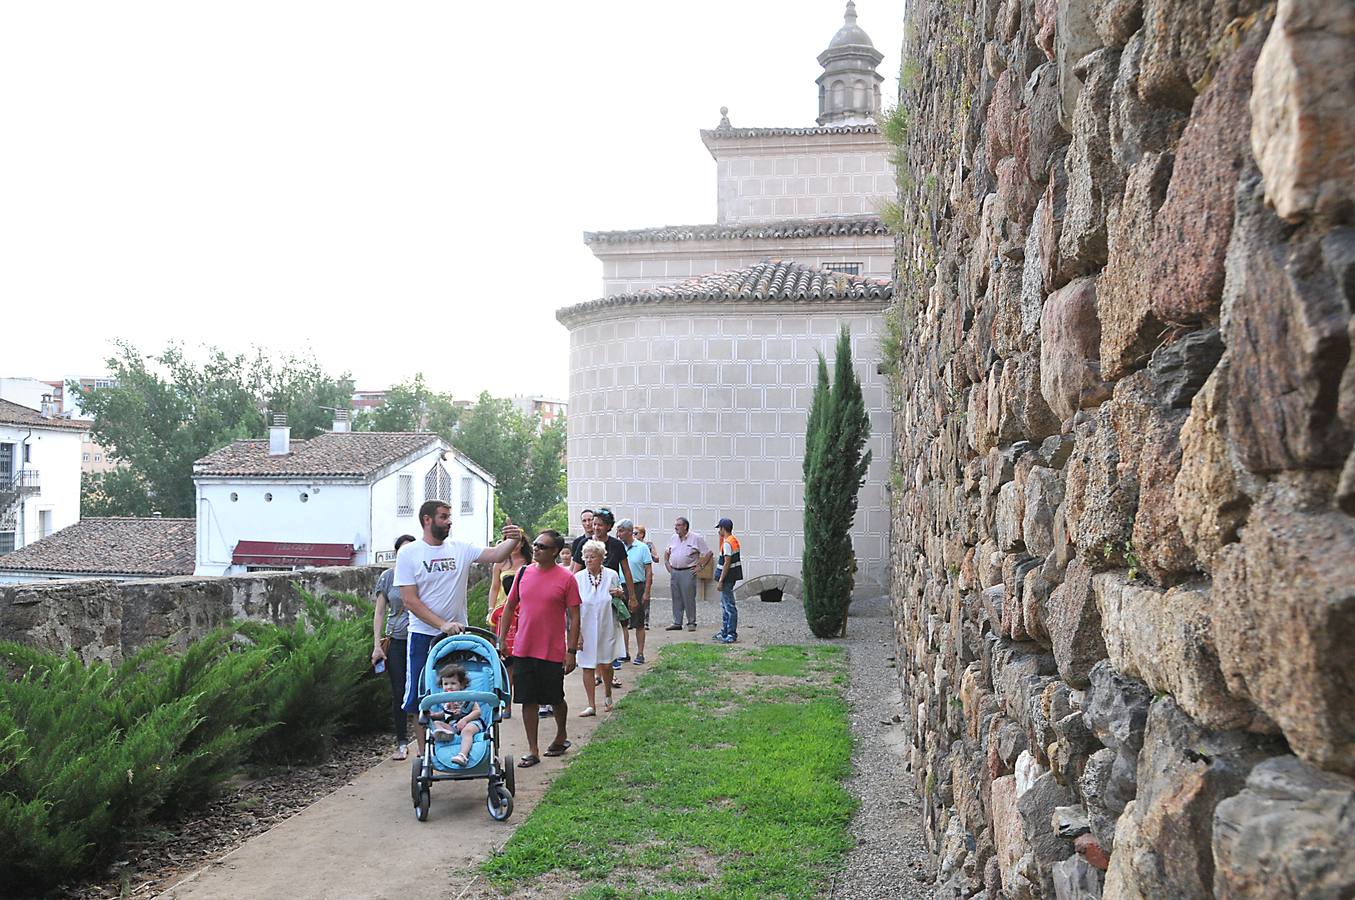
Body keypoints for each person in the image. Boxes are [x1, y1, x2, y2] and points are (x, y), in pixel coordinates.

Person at [396, 499, 522, 757]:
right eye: (443, 517)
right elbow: (410, 600)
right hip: (423, 635)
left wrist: (513, 538)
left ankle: (463, 745)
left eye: (449, 516)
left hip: (457, 637)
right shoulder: (409, 554)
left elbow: (496, 555)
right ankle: (424, 754)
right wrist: (441, 624)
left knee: (461, 688)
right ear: (427, 520)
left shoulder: (460, 548)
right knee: (421, 695)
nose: (449, 522)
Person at [496, 530, 582, 768]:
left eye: (542, 546)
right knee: (528, 700)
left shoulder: (566, 579)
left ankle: (561, 734)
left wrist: (571, 650)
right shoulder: (523, 573)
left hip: (552, 649)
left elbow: (574, 616)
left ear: (555, 551)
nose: (536, 549)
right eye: (535, 544)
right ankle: (532, 749)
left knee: (555, 698)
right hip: (524, 648)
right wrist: (502, 639)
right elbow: (509, 606)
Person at [372, 533, 417, 760]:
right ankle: (401, 741)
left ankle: (428, 738)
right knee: (399, 690)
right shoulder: (388, 577)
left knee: (423, 688)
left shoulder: (422, 573)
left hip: (420, 638)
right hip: (397, 640)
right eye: (402, 551)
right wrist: (377, 644)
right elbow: (380, 611)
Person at [573, 539, 626, 716]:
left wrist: (619, 593)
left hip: (607, 624)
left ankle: (608, 695)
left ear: (602, 558)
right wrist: (577, 633)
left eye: (593, 557)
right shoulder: (578, 578)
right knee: (587, 665)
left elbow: (620, 597)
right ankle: (591, 705)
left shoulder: (611, 575)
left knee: (606, 663)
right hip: (585, 627)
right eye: (586, 557)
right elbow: (573, 607)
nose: (589, 560)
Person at [587, 508, 630, 666]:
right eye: (594, 524)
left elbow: (626, 570)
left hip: (611, 594)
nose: (596, 527)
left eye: (600, 524)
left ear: (608, 526)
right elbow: (575, 570)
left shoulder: (616, 545)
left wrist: (631, 596)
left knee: (611, 628)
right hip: (589, 593)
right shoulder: (584, 543)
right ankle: (595, 665)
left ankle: (612, 660)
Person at [427, 663, 488, 768]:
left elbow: (477, 712)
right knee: (437, 723)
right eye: (446, 684)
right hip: (454, 726)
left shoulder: (467, 697)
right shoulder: (445, 700)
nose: (449, 687)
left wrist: (465, 720)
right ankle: (446, 734)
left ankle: (463, 755)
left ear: (462, 685)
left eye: (453, 683)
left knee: (466, 731)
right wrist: (435, 715)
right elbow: (445, 714)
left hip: (471, 723)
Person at [663, 517, 711, 633]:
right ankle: (677, 622)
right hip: (675, 571)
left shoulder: (696, 538)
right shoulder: (673, 538)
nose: (676, 527)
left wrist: (700, 566)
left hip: (688, 571)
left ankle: (691, 622)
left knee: (688, 597)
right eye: (675, 525)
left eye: (678, 525)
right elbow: (667, 551)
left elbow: (708, 553)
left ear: (685, 526)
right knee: (676, 597)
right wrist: (667, 563)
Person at [616, 519, 653, 665]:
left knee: (639, 622)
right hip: (620, 587)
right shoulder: (618, 547)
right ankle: (624, 652)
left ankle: (640, 653)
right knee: (622, 622)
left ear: (630, 531)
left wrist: (647, 592)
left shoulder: (642, 547)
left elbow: (648, 571)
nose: (618, 534)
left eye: (621, 531)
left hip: (637, 587)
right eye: (617, 531)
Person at [712, 517, 743, 644]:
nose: (718, 531)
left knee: (728, 606)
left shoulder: (727, 543)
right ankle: (725, 631)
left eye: (719, 528)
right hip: (732, 577)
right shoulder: (733, 540)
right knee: (725, 605)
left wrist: (720, 580)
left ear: (723, 528)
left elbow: (727, 562)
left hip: (727, 578)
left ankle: (730, 633)